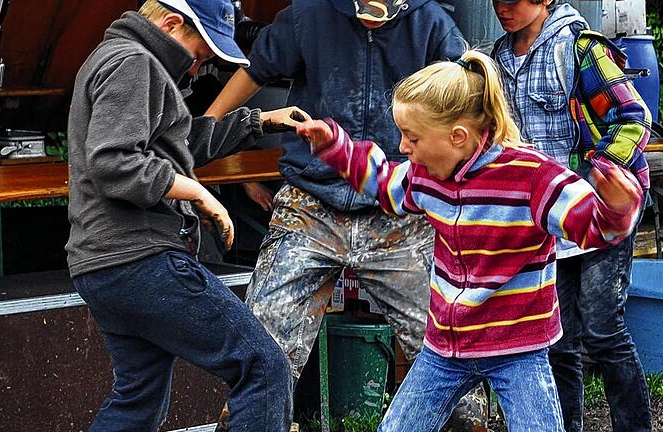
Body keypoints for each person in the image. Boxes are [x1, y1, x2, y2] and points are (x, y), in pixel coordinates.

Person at [295, 49, 644, 432]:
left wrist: (617, 208)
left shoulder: (533, 178)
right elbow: (384, 183)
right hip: (445, 347)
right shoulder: (425, 175)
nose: (403, 147)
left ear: (457, 136)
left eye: (412, 137)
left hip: (517, 347)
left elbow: (594, 228)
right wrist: (336, 147)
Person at [205, 1, 491, 429]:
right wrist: (206, 124)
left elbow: (467, 97)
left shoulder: (431, 23)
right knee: (264, 348)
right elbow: (257, 68)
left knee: (451, 345)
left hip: (401, 210)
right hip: (310, 203)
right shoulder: (309, 14)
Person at [65, 1, 306, 430]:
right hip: (140, 256)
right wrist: (197, 192)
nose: (197, 70)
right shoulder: (134, 62)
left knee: (138, 399)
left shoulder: (119, 57)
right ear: (172, 24)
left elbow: (178, 145)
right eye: (199, 55)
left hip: (103, 264)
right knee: (264, 367)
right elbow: (114, 163)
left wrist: (262, 121)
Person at [490, 1, 653, 431]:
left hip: (601, 213)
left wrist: (602, 174)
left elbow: (634, 118)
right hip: (547, 220)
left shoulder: (579, 49)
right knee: (556, 341)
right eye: (496, 0)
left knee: (602, 330)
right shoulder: (494, 61)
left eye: (514, 0)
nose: (501, 8)